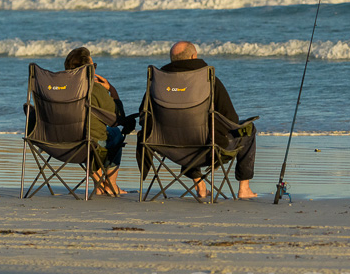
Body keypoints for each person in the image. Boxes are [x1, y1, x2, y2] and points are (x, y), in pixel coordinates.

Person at [143, 41, 258, 199]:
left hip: (167, 147)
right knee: (248, 129)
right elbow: (231, 118)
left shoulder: (157, 82)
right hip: (207, 148)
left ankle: (200, 185)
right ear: (193, 57)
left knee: (183, 127)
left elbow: (145, 115)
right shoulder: (207, 79)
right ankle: (244, 188)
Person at [63, 46, 134, 197]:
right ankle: (111, 185)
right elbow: (118, 118)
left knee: (86, 136)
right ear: (88, 69)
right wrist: (111, 90)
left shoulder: (61, 88)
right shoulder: (94, 88)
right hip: (90, 145)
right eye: (93, 66)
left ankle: (99, 185)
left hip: (63, 144)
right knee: (114, 133)